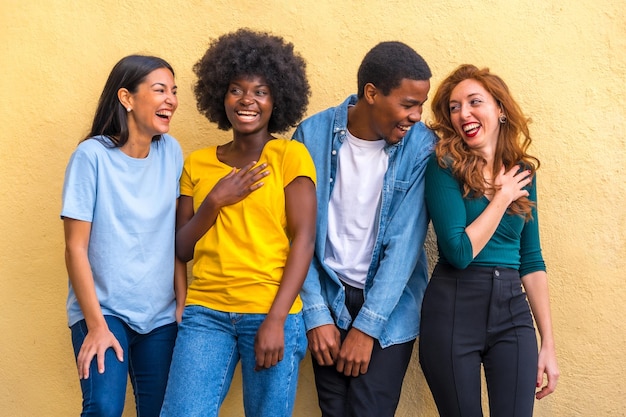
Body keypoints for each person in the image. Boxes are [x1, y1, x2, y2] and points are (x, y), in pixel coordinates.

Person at [159, 29, 316, 417]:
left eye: (260, 91)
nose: (247, 100)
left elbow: (304, 241)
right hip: (205, 313)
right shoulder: (196, 164)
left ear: (277, 99)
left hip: (270, 310)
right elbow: (181, 249)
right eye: (236, 89)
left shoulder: (289, 156)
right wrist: (214, 201)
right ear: (220, 96)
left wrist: (277, 319)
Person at [292, 41, 436, 417]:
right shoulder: (312, 136)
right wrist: (315, 312)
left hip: (389, 307)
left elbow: (405, 244)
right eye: (408, 104)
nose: (417, 116)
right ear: (371, 93)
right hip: (327, 296)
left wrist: (367, 328)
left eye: (421, 104)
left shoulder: (421, 147)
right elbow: (295, 234)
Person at [419, 64, 560, 416]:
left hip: (512, 311)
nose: (463, 113)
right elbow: (458, 252)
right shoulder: (444, 165)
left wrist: (548, 342)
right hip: (453, 307)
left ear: (499, 109)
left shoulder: (522, 172)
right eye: (454, 107)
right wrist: (501, 197)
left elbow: (531, 260)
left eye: (473, 102)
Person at [61, 54, 184, 417]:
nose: (171, 100)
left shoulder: (171, 153)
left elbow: (174, 235)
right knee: (103, 407)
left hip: (159, 315)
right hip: (105, 310)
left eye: (173, 92)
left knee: (162, 411)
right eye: (159, 90)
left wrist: (181, 301)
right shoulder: (91, 157)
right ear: (127, 98)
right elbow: (75, 248)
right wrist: (96, 326)